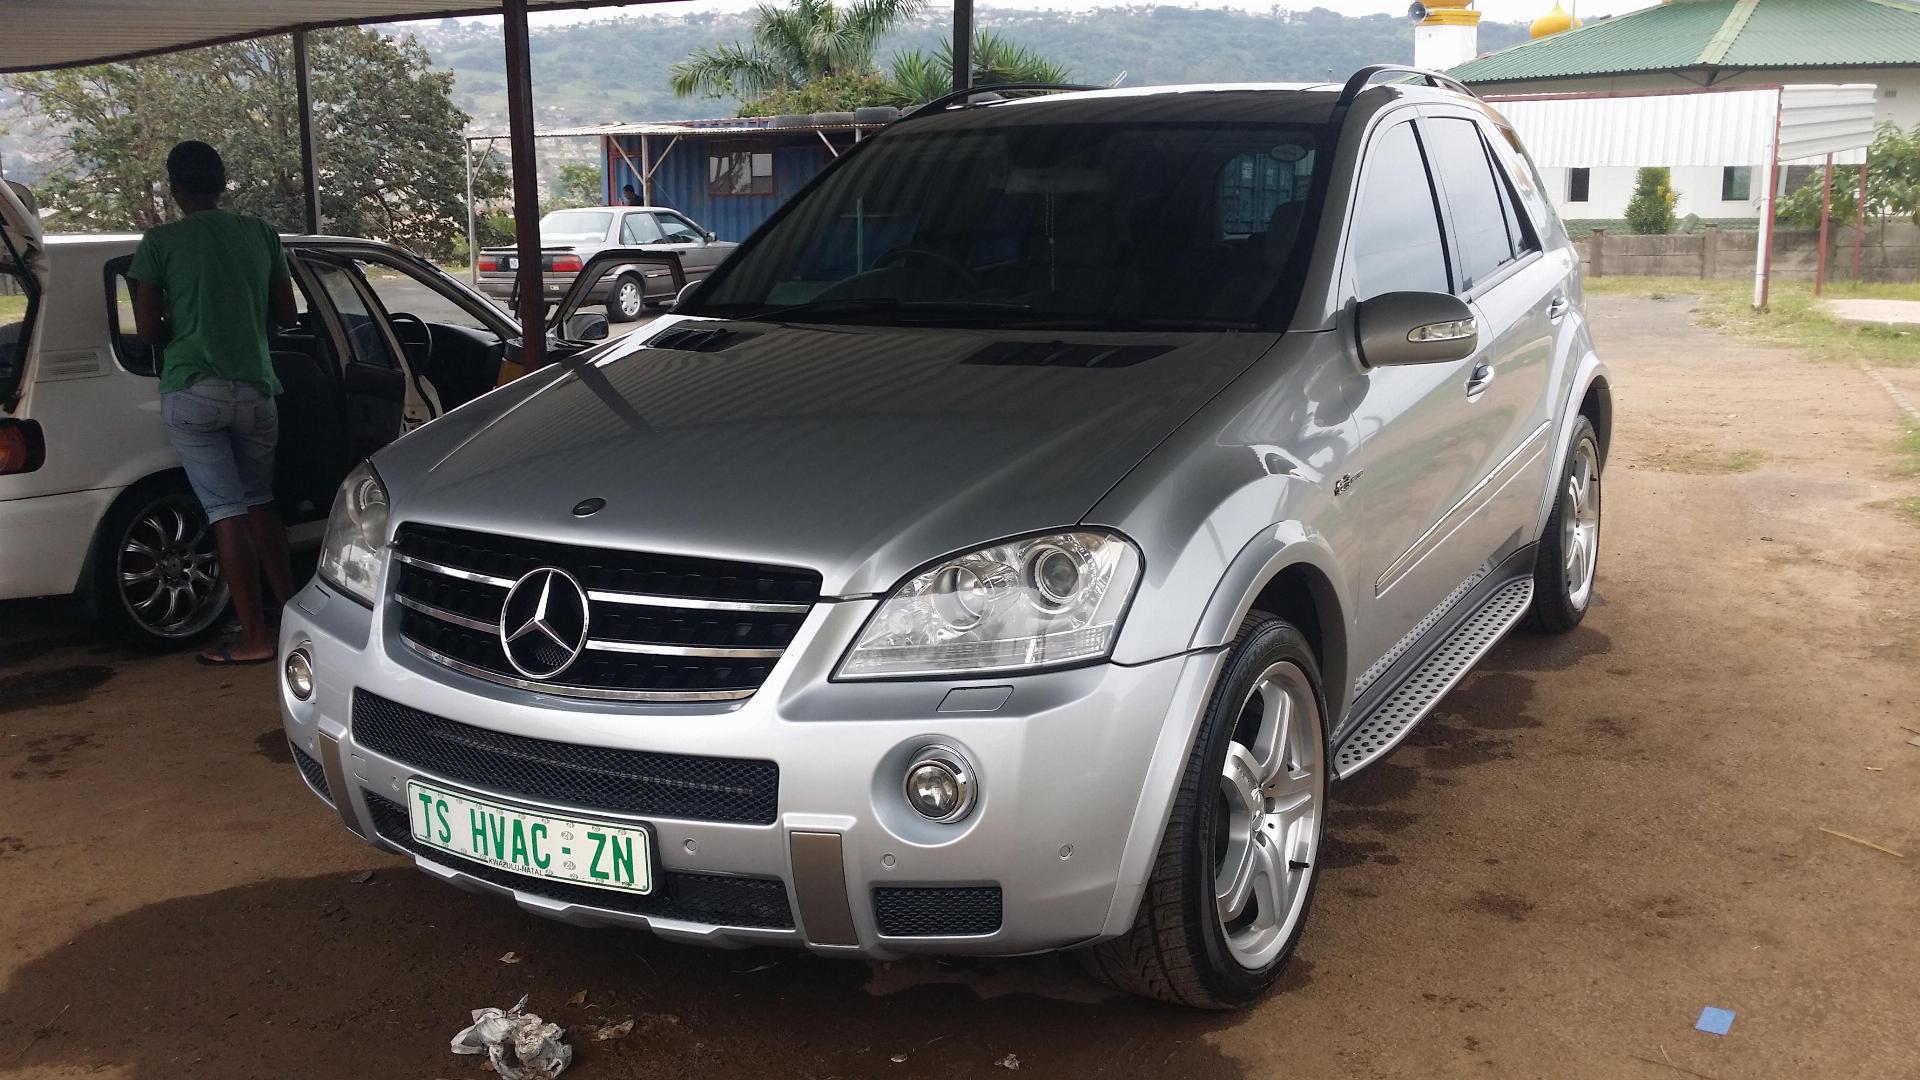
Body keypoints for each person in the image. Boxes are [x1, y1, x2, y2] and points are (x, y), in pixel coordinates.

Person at [130, 140, 298, 666]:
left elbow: (145, 330)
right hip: (256, 389)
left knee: (225, 514)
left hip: (193, 388)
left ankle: (253, 639)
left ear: (175, 188)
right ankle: (292, 621)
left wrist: (186, 327)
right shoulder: (260, 234)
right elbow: (288, 315)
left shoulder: (159, 242)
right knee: (260, 505)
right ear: (223, 183)